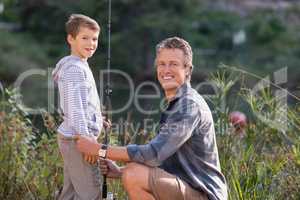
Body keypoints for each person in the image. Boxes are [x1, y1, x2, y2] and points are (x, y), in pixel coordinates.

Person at [75, 37, 228, 200]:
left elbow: (153, 154)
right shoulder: (177, 103)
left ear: (188, 69)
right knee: (130, 172)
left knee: (134, 174)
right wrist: (120, 172)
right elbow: (164, 160)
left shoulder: (189, 106)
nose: (166, 70)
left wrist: (99, 149)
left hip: (205, 195)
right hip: (188, 188)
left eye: (173, 64)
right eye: (162, 64)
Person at [52, 14, 103, 200]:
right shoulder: (75, 70)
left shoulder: (79, 65)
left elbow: (82, 104)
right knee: (91, 192)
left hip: (74, 137)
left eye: (95, 38)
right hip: (78, 140)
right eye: (85, 38)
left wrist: (97, 120)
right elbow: (75, 110)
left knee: (71, 192)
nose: (91, 43)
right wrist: (87, 140)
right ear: (70, 39)